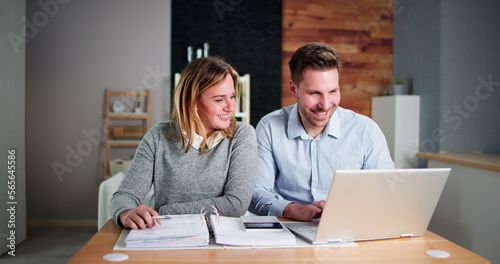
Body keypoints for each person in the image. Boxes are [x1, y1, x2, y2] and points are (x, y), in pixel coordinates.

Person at [248, 43, 394, 221]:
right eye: (314, 93)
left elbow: (386, 191)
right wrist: (292, 209)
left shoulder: (366, 131)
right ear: (294, 90)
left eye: (333, 91)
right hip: (289, 229)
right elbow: (255, 192)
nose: (325, 105)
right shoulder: (269, 127)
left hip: (350, 229)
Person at [110, 57, 258, 229]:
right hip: (166, 237)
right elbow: (124, 196)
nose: (231, 107)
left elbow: (235, 205)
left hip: (220, 240)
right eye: (219, 100)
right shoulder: (158, 137)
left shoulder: (242, 135)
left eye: (232, 96)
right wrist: (125, 211)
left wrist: (164, 211)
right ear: (193, 102)